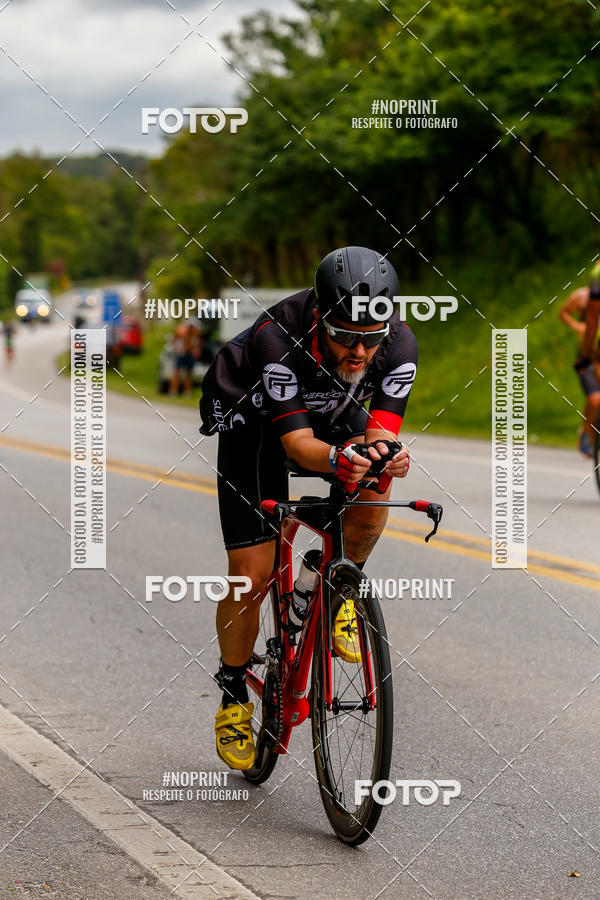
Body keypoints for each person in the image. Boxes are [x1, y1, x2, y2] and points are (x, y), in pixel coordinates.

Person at [199, 246, 417, 770]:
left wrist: (387, 455)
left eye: (371, 337)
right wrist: (339, 458)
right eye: (345, 335)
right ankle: (233, 691)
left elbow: (379, 434)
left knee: (377, 472)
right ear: (319, 318)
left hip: (330, 409)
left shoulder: (399, 343)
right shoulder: (277, 336)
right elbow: (297, 446)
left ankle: (336, 590)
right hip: (253, 420)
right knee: (251, 575)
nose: (360, 351)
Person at [563, 260, 600, 457]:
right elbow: (563, 313)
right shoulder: (581, 296)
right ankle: (586, 434)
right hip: (587, 353)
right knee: (595, 399)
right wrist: (577, 326)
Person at [170, 321, 200, 397]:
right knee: (177, 373)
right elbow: (173, 340)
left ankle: (187, 391)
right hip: (181, 354)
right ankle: (174, 390)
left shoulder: (195, 335)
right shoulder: (181, 333)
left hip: (189, 355)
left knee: (188, 374)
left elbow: (196, 346)